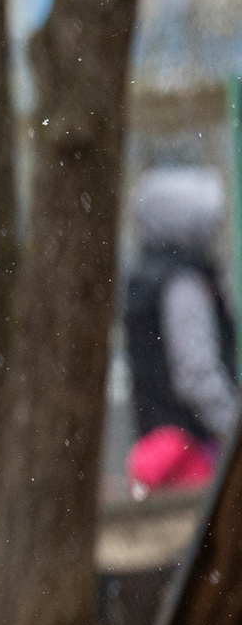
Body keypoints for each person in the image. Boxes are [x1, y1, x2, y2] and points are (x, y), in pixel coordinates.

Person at [121, 166, 238, 496]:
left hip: (158, 449)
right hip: (191, 452)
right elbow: (196, 374)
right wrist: (231, 428)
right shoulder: (183, 283)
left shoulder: (146, 277)